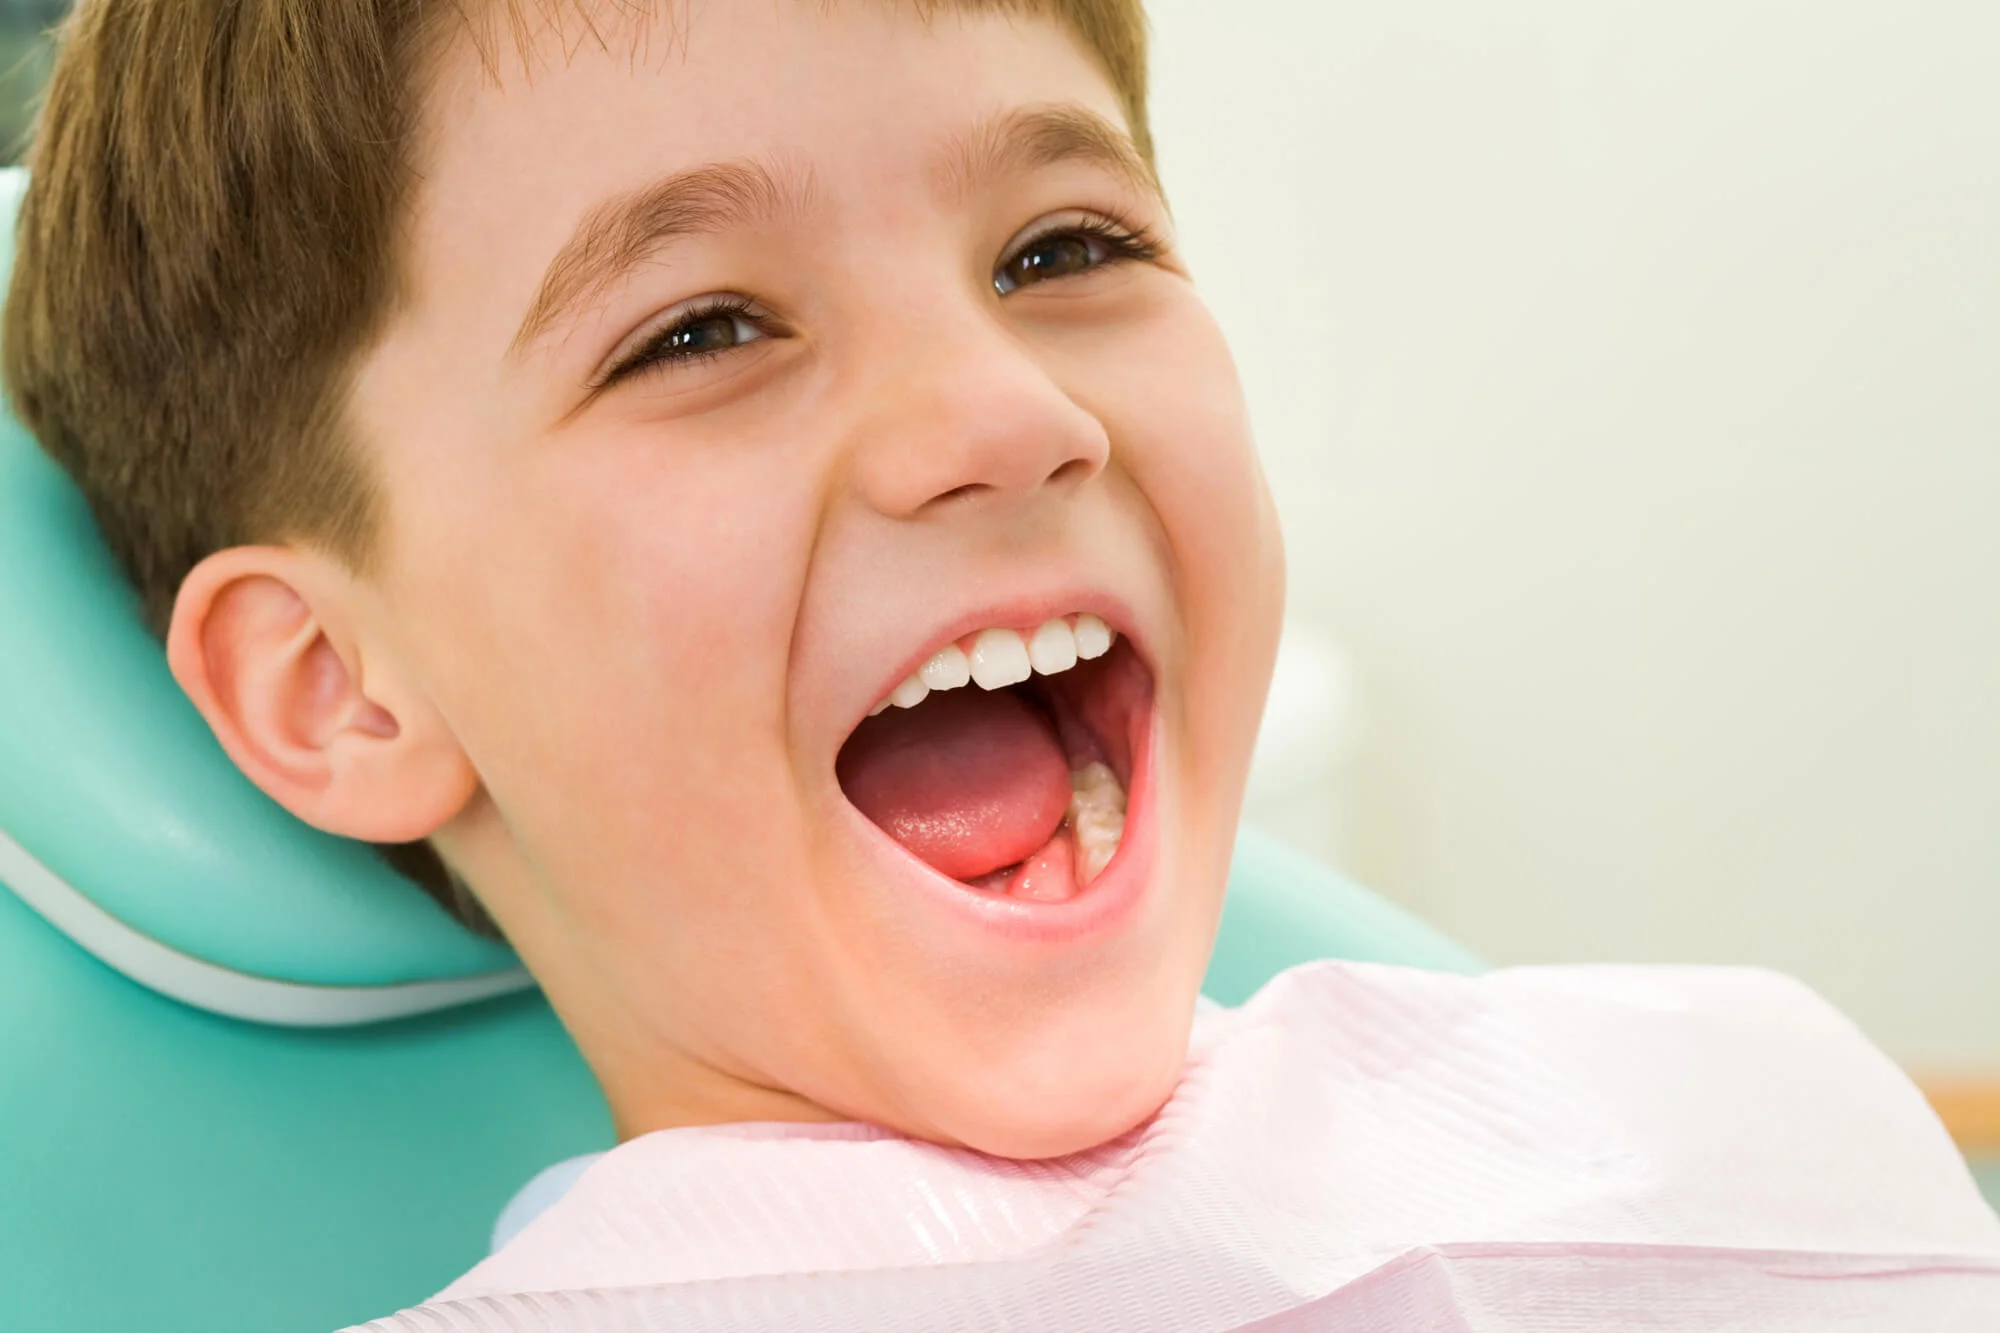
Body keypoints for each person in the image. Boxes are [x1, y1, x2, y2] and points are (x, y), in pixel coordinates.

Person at [7, 3, 1997, 1328]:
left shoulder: (1719, 1096)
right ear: (337, 686)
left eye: (1063, 250)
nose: (1005, 407)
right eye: (699, 330)